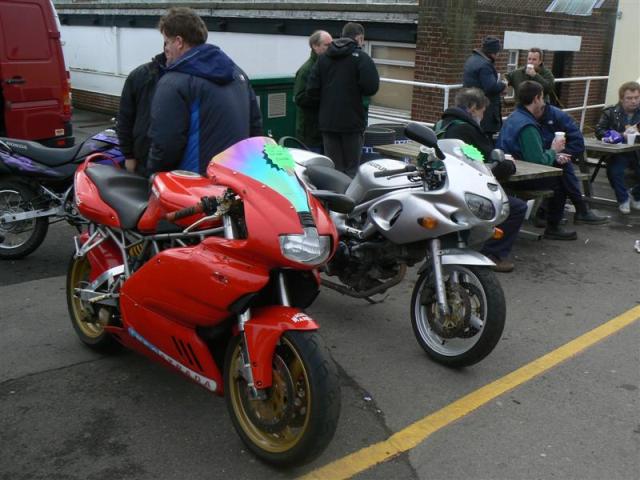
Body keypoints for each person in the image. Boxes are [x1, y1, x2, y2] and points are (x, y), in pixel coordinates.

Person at [147, 7, 262, 175]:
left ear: (179, 42)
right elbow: (255, 129)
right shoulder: (238, 74)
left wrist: (153, 175)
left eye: (167, 41)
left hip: (194, 183)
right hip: (237, 178)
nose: (165, 49)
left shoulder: (173, 83)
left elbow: (166, 144)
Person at [435, 87, 526, 273]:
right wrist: (509, 164)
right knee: (515, 207)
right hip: (463, 192)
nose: (483, 116)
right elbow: (485, 160)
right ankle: (493, 254)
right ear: (473, 108)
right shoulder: (466, 129)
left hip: (441, 185)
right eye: (483, 111)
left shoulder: (442, 125)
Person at [496, 80, 577, 240]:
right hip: (519, 177)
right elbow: (538, 161)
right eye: (542, 97)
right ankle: (553, 226)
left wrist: (552, 154)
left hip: (508, 169)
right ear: (536, 98)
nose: (544, 102)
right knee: (561, 178)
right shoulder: (528, 126)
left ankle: (545, 216)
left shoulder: (514, 117)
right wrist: (554, 150)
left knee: (560, 172)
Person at [306, 22, 379, 176]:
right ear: (359, 38)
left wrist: (327, 103)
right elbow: (371, 87)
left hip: (328, 123)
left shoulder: (323, 58)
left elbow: (311, 90)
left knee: (333, 169)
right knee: (351, 169)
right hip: (352, 123)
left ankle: (333, 191)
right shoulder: (362, 58)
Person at [536, 103, 608, 224]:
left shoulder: (557, 116)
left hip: (551, 160)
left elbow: (577, 143)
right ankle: (578, 210)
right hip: (535, 161)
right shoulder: (526, 118)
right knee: (563, 174)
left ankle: (548, 213)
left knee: (562, 169)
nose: (633, 101)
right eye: (629, 98)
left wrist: (562, 154)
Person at [594, 81, 640, 214]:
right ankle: (623, 198)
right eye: (629, 98)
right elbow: (599, 131)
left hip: (637, 151)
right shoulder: (610, 112)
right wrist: (619, 135)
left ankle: (635, 194)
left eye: (637, 97)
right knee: (615, 171)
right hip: (618, 152)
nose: (634, 101)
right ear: (621, 99)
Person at [116, 53, 166, 175]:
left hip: (175, 164)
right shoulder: (140, 75)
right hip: (142, 159)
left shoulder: (187, 77)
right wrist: (128, 155)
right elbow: (125, 118)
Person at [293, 30, 332, 153]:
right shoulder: (306, 70)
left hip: (325, 131)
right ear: (315, 46)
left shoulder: (328, 66)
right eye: (327, 45)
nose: (331, 48)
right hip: (310, 133)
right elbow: (299, 97)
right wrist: (322, 97)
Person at [462, 36, 507, 141]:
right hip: (484, 111)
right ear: (492, 52)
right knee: (484, 141)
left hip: (471, 105)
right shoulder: (485, 65)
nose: (498, 55)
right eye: (497, 52)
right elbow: (491, 88)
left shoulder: (471, 59)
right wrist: (503, 84)